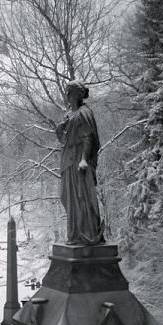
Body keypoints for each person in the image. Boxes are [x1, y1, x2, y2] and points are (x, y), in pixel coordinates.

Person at [55, 80, 105, 245]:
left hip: (79, 160)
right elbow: (63, 140)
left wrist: (84, 159)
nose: (67, 96)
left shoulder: (83, 113)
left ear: (77, 94)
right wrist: (60, 128)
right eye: (66, 92)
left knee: (82, 196)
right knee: (67, 197)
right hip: (68, 160)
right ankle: (74, 234)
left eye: (69, 92)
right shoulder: (69, 114)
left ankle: (87, 233)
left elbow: (88, 137)